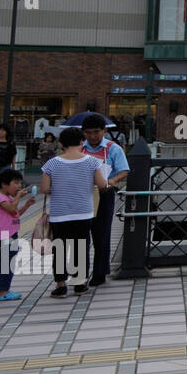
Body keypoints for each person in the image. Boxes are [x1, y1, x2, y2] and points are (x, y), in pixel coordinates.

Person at [40, 127, 107, 298]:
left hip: (59, 213)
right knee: (81, 247)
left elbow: (45, 188)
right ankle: (80, 284)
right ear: (81, 142)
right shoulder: (92, 162)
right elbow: (102, 185)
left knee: (60, 248)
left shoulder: (52, 163)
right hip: (83, 212)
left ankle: (61, 285)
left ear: (61, 143)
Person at [79, 114, 129, 287]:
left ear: (104, 131)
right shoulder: (79, 148)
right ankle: (79, 274)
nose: (92, 136)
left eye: (96, 132)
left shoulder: (113, 148)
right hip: (82, 193)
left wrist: (112, 182)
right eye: (88, 133)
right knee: (80, 234)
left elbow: (124, 170)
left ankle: (100, 272)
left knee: (102, 233)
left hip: (104, 193)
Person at [0, 168, 38, 301]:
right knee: (7, 263)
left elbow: (15, 214)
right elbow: (12, 208)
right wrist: (18, 197)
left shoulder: (9, 198)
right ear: (4, 184)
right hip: (5, 235)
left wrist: (27, 205)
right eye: (16, 183)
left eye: (20, 183)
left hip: (11, 233)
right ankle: (3, 292)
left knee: (6, 262)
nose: (19, 186)